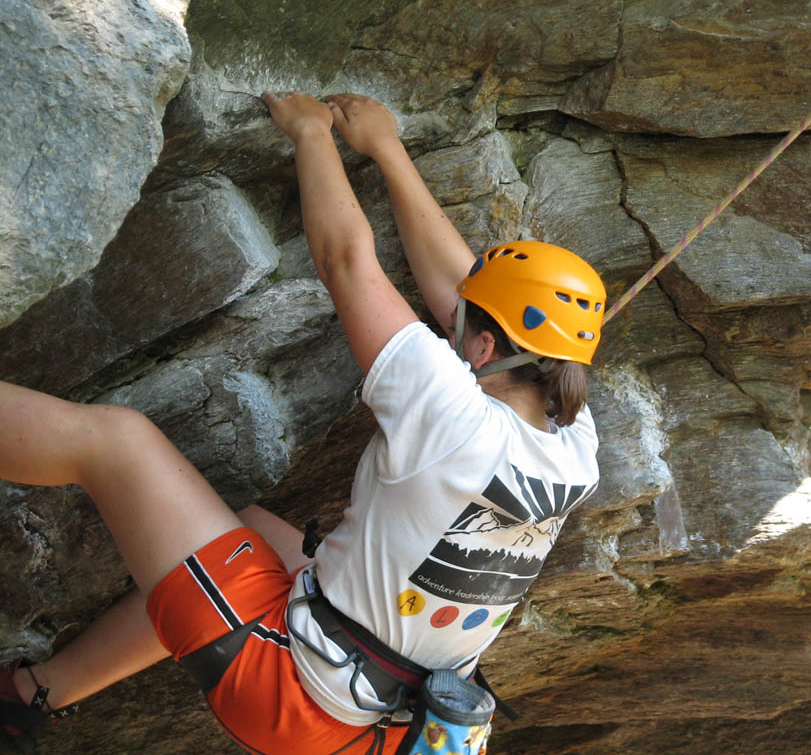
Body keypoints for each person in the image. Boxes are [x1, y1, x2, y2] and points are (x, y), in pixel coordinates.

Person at [0, 91, 605, 755]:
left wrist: (312, 134)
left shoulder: (449, 411)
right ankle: (33, 695)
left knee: (116, 442)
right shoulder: (575, 442)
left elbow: (346, 261)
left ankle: (33, 691)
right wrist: (385, 147)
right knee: (245, 532)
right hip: (387, 721)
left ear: (486, 351)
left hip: (289, 692)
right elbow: (469, 294)